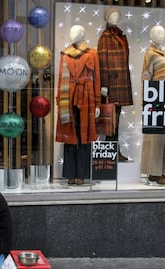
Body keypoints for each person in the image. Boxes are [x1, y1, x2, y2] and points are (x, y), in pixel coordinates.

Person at [55, 25, 101, 185]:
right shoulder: (65, 54)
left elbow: (97, 79)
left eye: (74, 32)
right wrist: (59, 100)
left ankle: (81, 174)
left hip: (86, 97)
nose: (71, 35)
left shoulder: (92, 54)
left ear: (82, 35)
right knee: (69, 136)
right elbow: (61, 78)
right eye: (70, 32)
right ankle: (70, 174)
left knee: (84, 136)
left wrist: (97, 104)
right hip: (68, 97)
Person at [97, 7, 133, 161]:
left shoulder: (120, 35)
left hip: (120, 82)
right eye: (112, 15)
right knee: (111, 119)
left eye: (117, 15)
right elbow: (102, 61)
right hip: (112, 83)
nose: (116, 17)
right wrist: (104, 85)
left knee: (116, 118)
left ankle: (114, 150)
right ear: (106, 18)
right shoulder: (105, 37)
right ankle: (111, 151)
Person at [141, 25, 165, 185]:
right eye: (158, 33)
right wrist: (147, 101)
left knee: (164, 137)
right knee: (155, 138)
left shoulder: (163, 54)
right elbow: (146, 76)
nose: (162, 35)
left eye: (163, 32)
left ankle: (160, 171)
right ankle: (153, 172)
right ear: (152, 35)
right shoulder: (150, 54)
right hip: (156, 100)